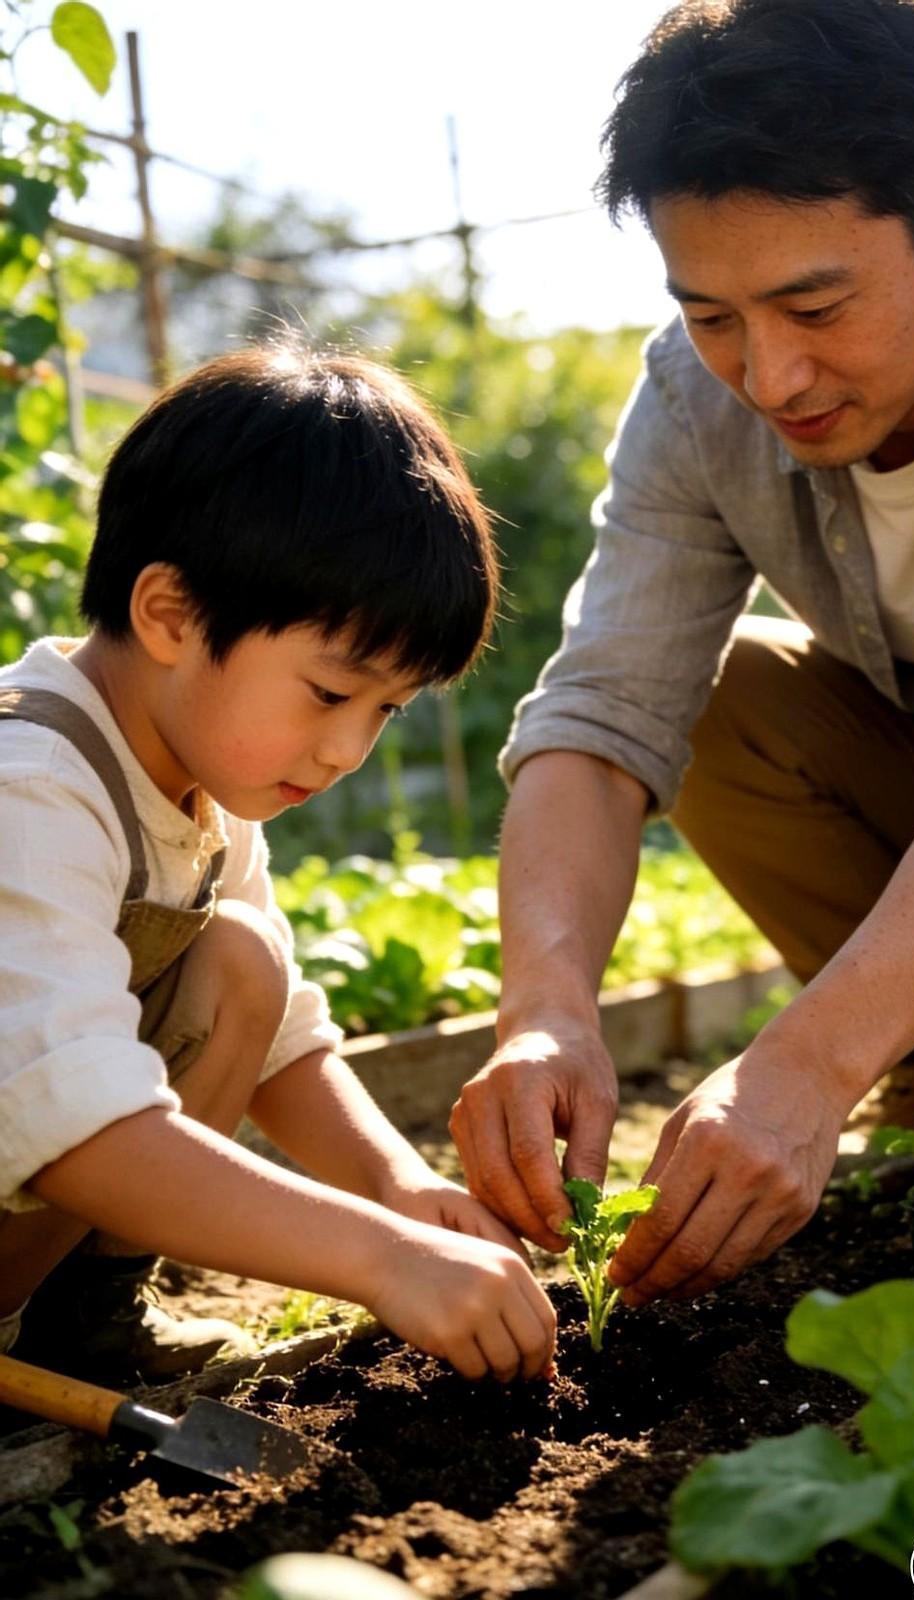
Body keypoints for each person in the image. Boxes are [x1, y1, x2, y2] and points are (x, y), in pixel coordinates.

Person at [450, 0, 914, 1310]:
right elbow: (604, 710)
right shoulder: (695, 398)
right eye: (712, 314)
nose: (770, 376)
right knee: (724, 702)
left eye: (814, 305)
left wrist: (802, 1066)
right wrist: (545, 1011)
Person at [0, 345, 556, 1386]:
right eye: (330, 693)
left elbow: (281, 1042)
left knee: (244, 961)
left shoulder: (199, 780)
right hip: (48, 1148)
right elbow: (72, 1125)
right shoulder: (27, 788)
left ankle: (79, 1324)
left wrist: (400, 1192)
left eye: (386, 711)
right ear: (171, 615)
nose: (348, 750)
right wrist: (381, 1258)